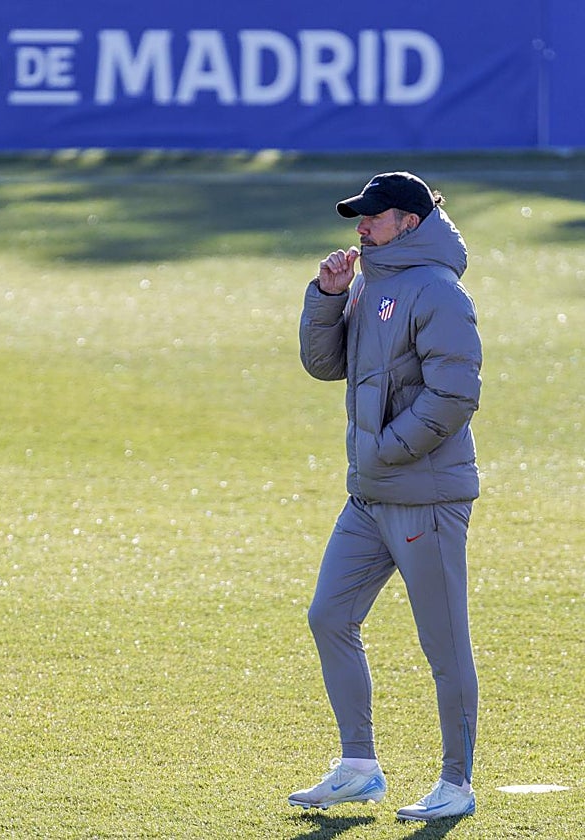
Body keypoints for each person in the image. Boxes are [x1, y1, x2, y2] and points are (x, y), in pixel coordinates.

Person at [288, 172, 482, 822]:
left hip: (424, 498)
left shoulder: (439, 291)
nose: (361, 228)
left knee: (444, 646)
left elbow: (454, 397)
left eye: (374, 217)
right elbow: (325, 364)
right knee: (329, 616)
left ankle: (456, 783)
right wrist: (326, 296)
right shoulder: (369, 282)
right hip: (370, 496)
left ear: (411, 223)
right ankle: (359, 768)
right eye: (360, 218)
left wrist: (385, 448)